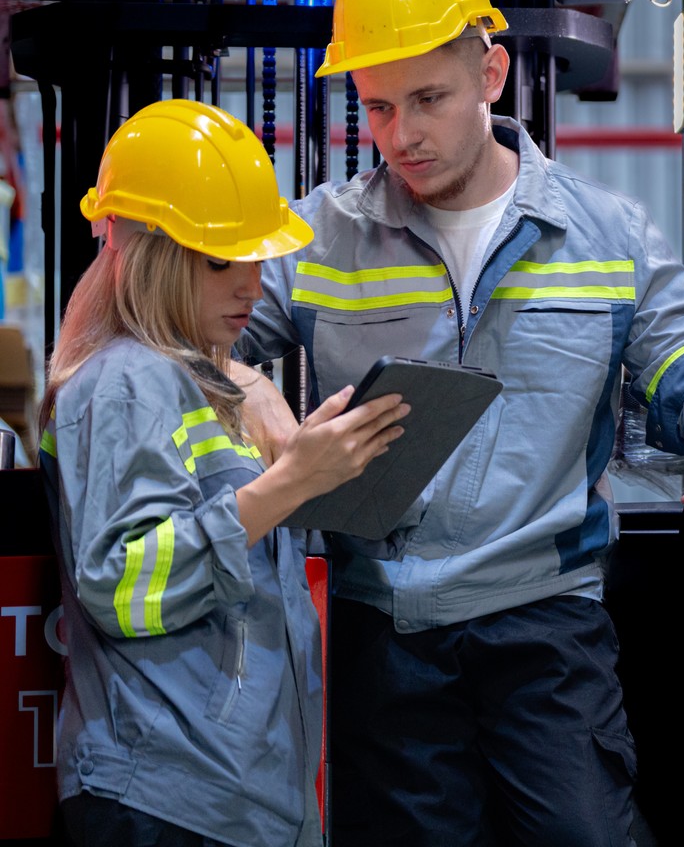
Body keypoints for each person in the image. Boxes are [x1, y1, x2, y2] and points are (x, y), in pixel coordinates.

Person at [238, 0, 684, 845]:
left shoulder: (606, 236)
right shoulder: (317, 240)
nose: (401, 133)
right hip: (383, 632)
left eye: (429, 99)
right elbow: (195, 339)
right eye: (376, 107)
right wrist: (243, 383)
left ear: (491, 74)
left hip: (546, 631)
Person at [35, 98, 409, 847]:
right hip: (169, 795)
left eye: (254, 255)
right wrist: (288, 484)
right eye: (219, 259)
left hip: (229, 795)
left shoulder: (196, 385)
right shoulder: (124, 383)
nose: (250, 282)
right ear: (148, 253)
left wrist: (318, 470)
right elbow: (122, 586)